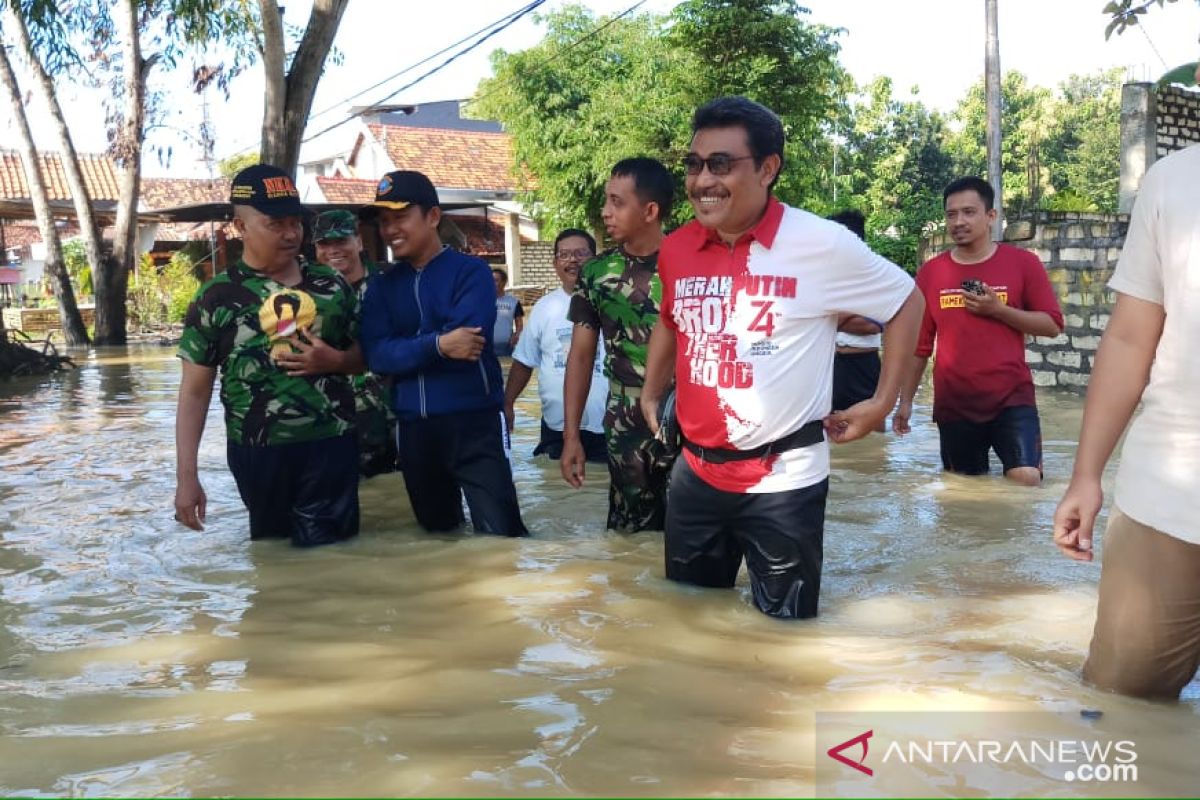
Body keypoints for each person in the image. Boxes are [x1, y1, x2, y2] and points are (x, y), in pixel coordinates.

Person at [641, 97, 924, 619]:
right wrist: (651, 390)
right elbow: (670, 318)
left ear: (768, 169)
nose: (703, 180)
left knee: (787, 635)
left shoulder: (822, 244)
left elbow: (908, 301)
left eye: (721, 164)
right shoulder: (677, 247)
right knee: (687, 621)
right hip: (694, 476)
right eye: (694, 164)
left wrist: (883, 402)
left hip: (785, 478)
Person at [1053, 138, 1200, 700]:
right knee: (1119, 698)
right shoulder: (1173, 181)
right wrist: (1086, 474)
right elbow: (1131, 334)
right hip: (1170, 491)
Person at [174, 163, 362, 547]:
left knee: (333, 561)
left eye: (296, 222)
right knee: (273, 559)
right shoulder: (216, 297)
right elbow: (194, 392)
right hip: (256, 450)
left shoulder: (331, 285)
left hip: (330, 442)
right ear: (240, 227)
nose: (292, 233)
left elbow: (369, 355)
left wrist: (338, 361)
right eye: (275, 223)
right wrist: (186, 478)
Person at [358, 170, 527, 537]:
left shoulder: (473, 273)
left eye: (400, 217)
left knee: (503, 536)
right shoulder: (381, 287)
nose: (389, 230)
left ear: (432, 216)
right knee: (438, 538)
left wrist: (407, 347)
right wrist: (437, 344)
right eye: (384, 221)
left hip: (475, 423)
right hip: (414, 430)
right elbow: (377, 356)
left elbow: (467, 342)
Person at [894, 176, 1064, 485]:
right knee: (964, 492)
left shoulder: (1023, 264)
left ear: (991, 216)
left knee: (1026, 479)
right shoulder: (932, 273)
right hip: (955, 404)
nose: (958, 221)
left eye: (969, 212)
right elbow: (920, 346)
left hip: (1012, 398)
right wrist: (904, 403)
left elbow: (1052, 325)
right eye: (951, 214)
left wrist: (999, 310)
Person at [561, 157, 675, 532]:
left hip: (685, 409)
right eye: (606, 202)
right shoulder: (596, 273)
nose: (606, 212)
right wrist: (572, 436)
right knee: (630, 535)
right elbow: (580, 357)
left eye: (617, 202)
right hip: (624, 415)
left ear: (650, 210)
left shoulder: (691, 263)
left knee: (691, 526)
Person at [503, 228, 608, 463]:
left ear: (596, 259)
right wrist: (508, 402)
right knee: (556, 490)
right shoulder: (544, 308)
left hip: (609, 428)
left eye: (580, 253)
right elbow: (523, 361)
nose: (572, 260)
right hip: (557, 429)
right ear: (555, 263)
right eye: (564, 255)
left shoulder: (615, 303)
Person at [312, 209, 396, 478]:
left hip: (396, 421)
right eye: (325, 243)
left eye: (341, 241)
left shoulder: (390, 284)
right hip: (334, 428)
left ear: (358, 242)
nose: (334, 250)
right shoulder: (303, 298)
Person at [828, 210, 885, 425]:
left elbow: (872, 325)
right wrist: (854, 311)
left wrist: (829, 318)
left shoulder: (877, 276)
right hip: (827, 365)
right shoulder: (819, 276)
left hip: (863, 364)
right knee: (825, 432)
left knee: (872, 433)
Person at [492, 268, 524, 357]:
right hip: (486, 347)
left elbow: (519, 324)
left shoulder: (513, 302)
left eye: (496, 280)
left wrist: (516, 335)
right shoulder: (483, 301)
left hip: (506, 348)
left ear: (504, 282)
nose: (493, 283)